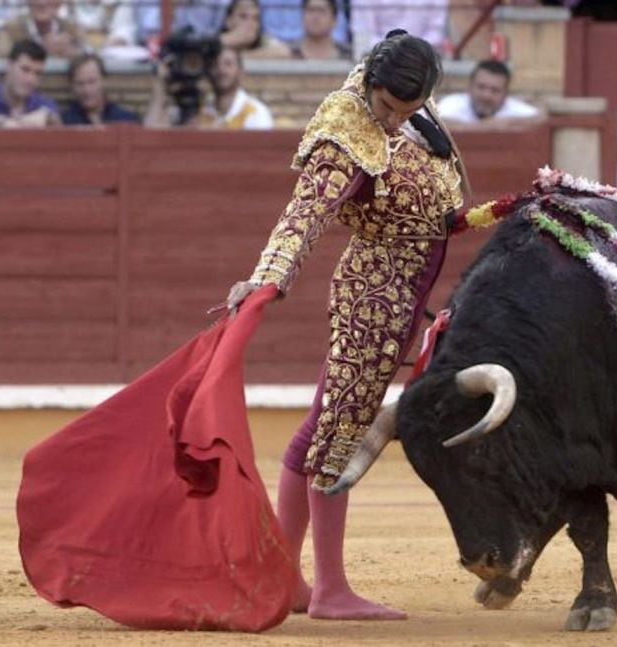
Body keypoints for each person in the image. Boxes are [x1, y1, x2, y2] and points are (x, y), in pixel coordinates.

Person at [223, 31, 466, 620]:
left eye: (406, 112)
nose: (391, 123)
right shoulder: (346, 128)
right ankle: (329, 589)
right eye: (385, 109)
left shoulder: (408, 99)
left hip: (401, 297)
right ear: (370, 87)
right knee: (340, 434)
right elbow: (303, 215)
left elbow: (437, 198)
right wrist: (267, 279)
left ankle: (283, 575)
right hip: (373, 299)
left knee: (321, 426)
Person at [144, 46, 274, 129]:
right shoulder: (199, 109)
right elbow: (152, 134)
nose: (221, 70)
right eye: (215, 64)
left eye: (228, 64)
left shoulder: (256, 112)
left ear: (241, 72)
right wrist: (160, 84)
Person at [0, 39, 60, 128]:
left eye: (37, 74)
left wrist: (47, 116)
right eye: (25, 70)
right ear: (9, 65)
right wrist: (7, 123)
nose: (31, 79)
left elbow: (57, 123)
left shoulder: (41, 102)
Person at [437, 59, 541, 125]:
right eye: (481, 87)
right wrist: (491, 125)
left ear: (506, 93)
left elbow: (541, 117)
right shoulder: (450, 105)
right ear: (470, 86)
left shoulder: (519, 111)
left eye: (495, 90)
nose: (486, 96)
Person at [61, 53, 139, 125]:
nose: (86, 90)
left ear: (104, 81)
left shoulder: (125, 119)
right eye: (80, 83)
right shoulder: (65, 122)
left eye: (91, 82)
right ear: (72, 86)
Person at [0, 0, 84, 58]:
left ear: (60, 3)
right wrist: (41, 51)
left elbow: (92, 58)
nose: (42, 2)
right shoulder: (10, 29)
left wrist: (70, 52)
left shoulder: (72, 29)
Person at [349, 0, 448, 53]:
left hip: (420, 61)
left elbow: (436, 34)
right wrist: (392, 53)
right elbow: (363, 37)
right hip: (378, 62)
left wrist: (412, 52)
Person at [219, 0, 290, 59]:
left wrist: (240, 57)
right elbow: (209, 46)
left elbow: (284, 51)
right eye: (243, 17)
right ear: (228, 20)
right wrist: (230, 39)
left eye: (255, 18)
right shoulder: (219, 39)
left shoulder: (263, 40)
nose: (250, 23)